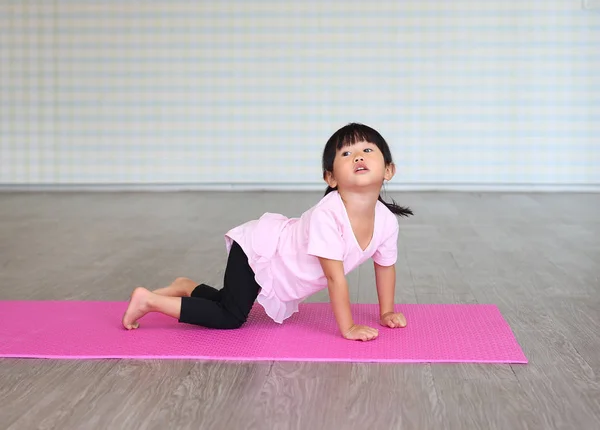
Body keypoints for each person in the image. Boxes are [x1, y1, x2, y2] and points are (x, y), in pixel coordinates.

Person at [122, 123, 413, 341]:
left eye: (367, 150)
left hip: (276, 262)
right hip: (259, 251)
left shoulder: (387, 222)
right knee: (231, 316)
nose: (358, 156)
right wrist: (347, 327)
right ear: (331, 177)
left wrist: (386, 311)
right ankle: (149, 301)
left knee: (230, 299)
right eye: (346, 153)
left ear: (389, 170)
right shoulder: (329, 215)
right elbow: (334, 277)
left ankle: (186, 286)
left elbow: (385, 266)